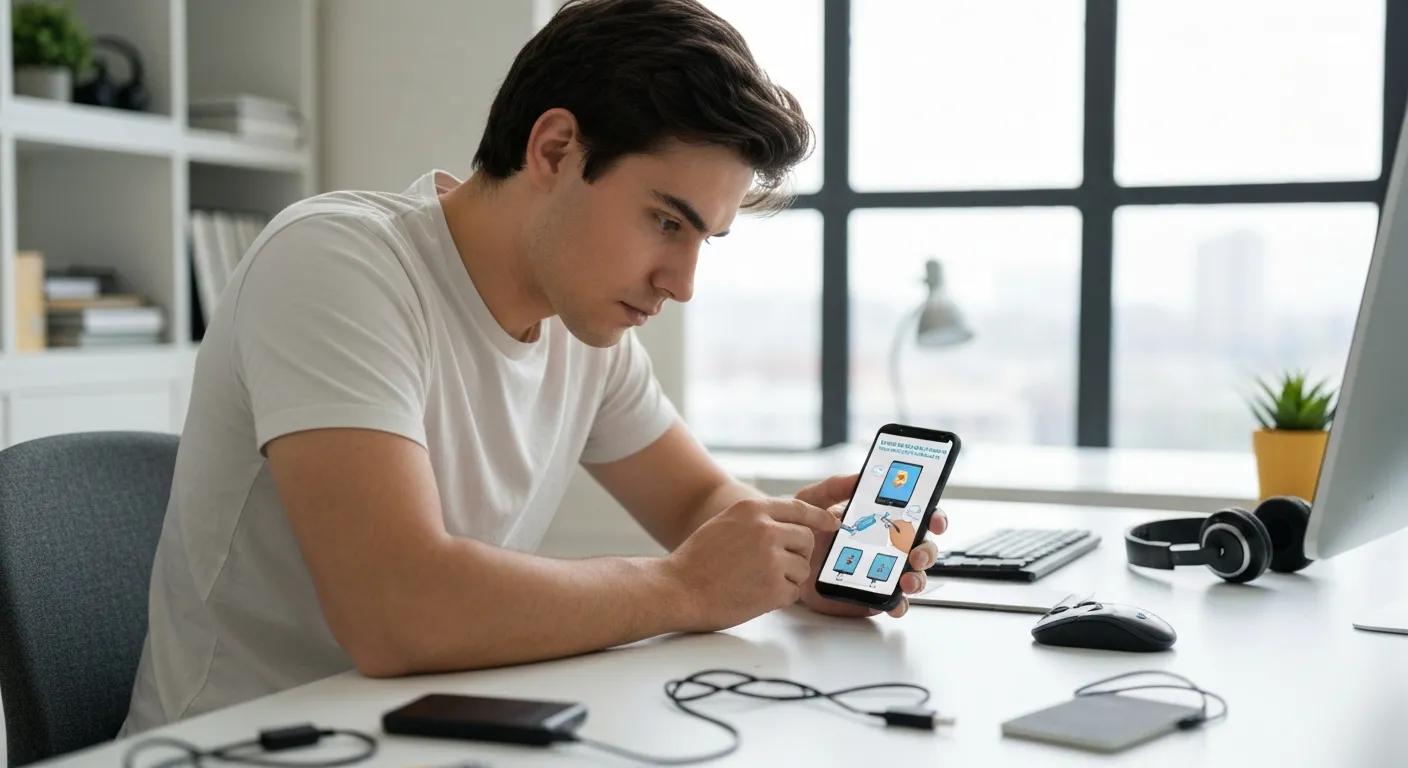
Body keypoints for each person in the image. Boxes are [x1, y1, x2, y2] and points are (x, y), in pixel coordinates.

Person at [121, 0, 948, 734]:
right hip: (240, 748)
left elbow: (696, 500)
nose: (683, 283)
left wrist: (801, 559)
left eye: (704, 241)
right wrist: (686, 588)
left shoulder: (585, 332)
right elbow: (395, 611)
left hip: (426, 733)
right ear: (554, 148)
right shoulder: (336, 263)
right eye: (666, 221)